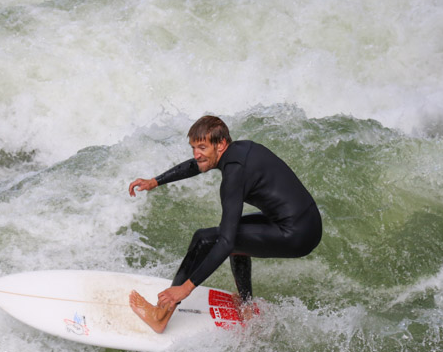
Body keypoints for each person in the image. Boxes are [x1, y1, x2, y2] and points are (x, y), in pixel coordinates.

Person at [127, 115, 322, 333]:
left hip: (295, 234)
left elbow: (226, 242)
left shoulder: (234, 175)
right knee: (237, 238)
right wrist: (155, 181)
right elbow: (198, 164)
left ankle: (161, 315)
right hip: (305, 222)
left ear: (220, 144)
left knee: (205, 239)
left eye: (202, 147)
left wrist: (185, 288)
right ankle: (246, 306)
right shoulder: (238, 151)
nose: (196, 154)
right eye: (193, 147)